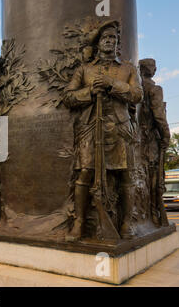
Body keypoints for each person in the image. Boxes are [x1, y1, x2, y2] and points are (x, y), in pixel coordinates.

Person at [63, 21, 144, 241]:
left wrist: (112, 84)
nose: (109, 41)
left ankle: (127, 222)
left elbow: (137, 95)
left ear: (117, 43)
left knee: (125, 175)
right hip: (92, 128)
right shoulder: (85, 69)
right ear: (98, 43)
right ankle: (79, 222)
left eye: (113, 38)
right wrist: (90, 91)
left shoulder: (128, 69)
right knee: (85, 173)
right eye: (105, 38)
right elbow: (68, 97)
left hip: (120, 128)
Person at [139, 58, 171, 227]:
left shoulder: (135, 86)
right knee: (154, 178)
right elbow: (159, 116)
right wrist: (166, 136)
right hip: (150, 139)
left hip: (135, 139)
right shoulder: (154, 89)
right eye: (152, 66)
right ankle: (153, 215)